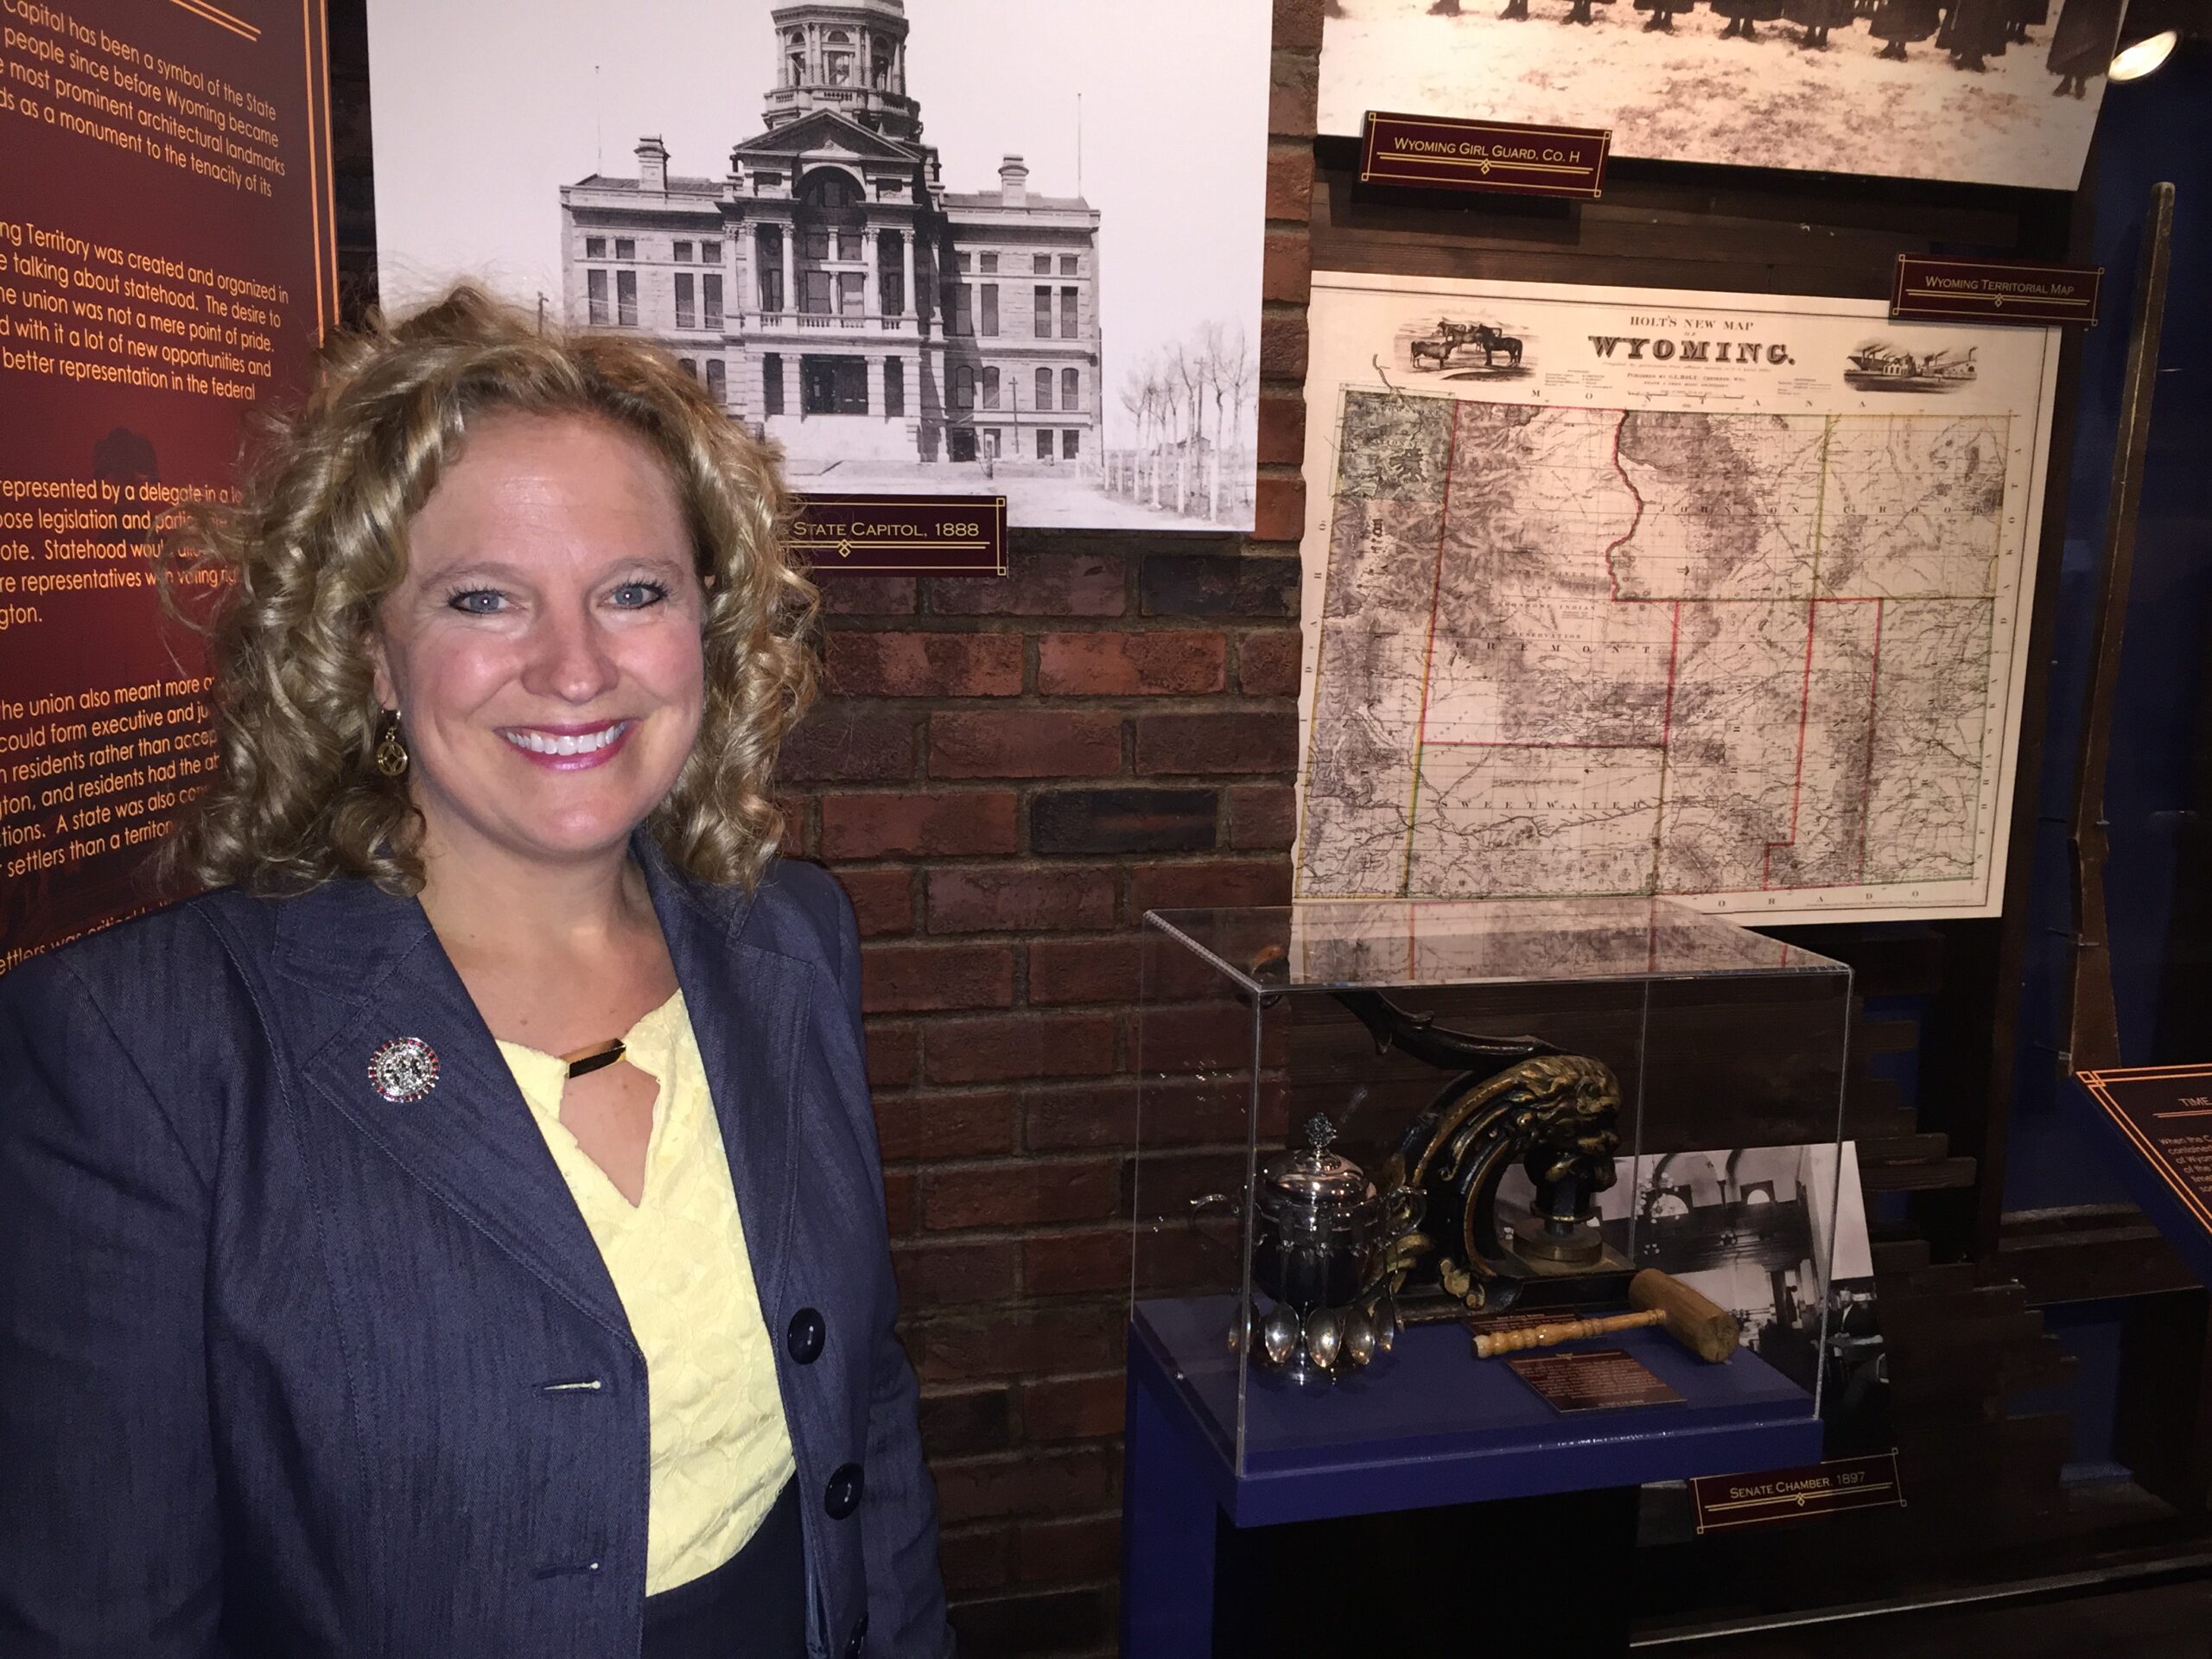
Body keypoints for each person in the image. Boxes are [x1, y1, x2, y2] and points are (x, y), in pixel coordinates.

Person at [0, 288, 954, 1659]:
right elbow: (103, 1615)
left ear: (709, 627)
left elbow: (864, 1412)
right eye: (484, 599)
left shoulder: (791, 941)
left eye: (634, 592)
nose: (575, 668)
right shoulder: (146, 1049)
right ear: (372, 656)